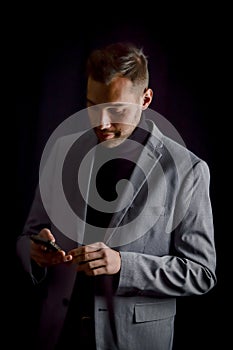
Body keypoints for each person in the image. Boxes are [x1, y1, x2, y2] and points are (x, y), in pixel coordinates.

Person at [16, 42, 217, 350]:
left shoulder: (188, 170)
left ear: (146, 99)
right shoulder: (62, 152)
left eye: (117, 110)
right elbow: (27, 237)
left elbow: (201, 273)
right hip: (56, 336)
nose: (102, 123)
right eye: (92, 106)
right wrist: (35, 251)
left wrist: (123, 265)